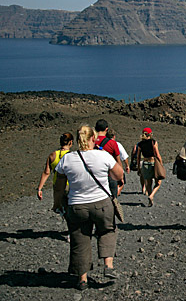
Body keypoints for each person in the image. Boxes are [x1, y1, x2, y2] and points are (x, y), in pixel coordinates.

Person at [53, 124, 124, 290]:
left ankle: (82, 278)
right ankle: (108, 265)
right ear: (93, 139)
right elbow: (119, 174)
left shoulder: (68, 159)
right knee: (107, 230)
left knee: (80, 239)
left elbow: (59, 185)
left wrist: (57, 203)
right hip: (102, 203)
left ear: (78, 140)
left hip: (77, 206)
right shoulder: (103, 156)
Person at [37, 132, 73, 204]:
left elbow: (46, 173)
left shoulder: (53, 155)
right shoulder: (72, 156)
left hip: (57, 185)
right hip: (70, 185)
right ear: (70, 142)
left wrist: (39, 189)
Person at [94, 119, 123, 198]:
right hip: (109, 175)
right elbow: (118, 160)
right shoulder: (112, 143)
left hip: (94, 175)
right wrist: (120, 176)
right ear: (106, 129)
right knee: (113, 199)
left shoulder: (90, 142)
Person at [136, 127, 163, 207]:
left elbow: (138, 157)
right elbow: (157, 154)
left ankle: (150, 196)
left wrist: (138, 167)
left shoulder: (140, 144)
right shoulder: (153, 142)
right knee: (158, 182)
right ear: (150, 134)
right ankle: (152, 195)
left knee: (148, 183)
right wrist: (161, 164)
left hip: (145, 163)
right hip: (153, 163)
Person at [106, 129, 130, 196]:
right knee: (121, 183)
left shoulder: (103, 144)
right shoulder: (117, 144)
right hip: (116, 167)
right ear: (114, 136)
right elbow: (124, 157)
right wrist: (127, 165)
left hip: (106, 167)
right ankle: (115, 196)